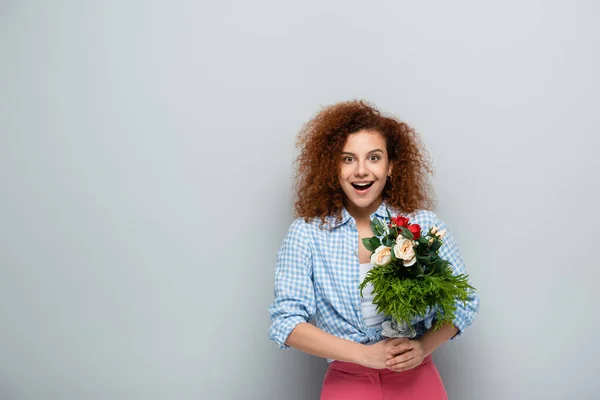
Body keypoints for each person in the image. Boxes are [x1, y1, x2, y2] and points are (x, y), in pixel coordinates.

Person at [268, 100, 479, 400]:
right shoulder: (307, 234)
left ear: (391, 166)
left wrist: (423, 347)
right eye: (348, 159)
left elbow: (464, 301)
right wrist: (364, 356)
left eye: (374, 158)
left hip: (417, 381)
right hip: (347, 384)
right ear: (333, 167)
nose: (362, 171)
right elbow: (286, 321)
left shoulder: (422, 225)